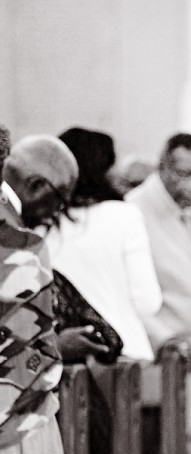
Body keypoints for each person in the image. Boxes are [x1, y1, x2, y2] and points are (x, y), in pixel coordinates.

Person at [1, 131, 78, 454]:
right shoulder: (18, 245)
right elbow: (24, 361)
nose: (57, 214)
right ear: (35, 186)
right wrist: (57, 351)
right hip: (12, 428)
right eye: (59, 200)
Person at [127, 133, 191, 454]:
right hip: (159, 355)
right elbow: (128, 292)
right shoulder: (133, 210)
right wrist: (163, 339)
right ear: (162, 167)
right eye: (185, 175)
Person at [46, 126, 162, 362]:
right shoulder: (124, 216)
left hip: (66, 355)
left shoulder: (42, 221)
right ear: (100, 169)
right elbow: (148, 301)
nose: (118, 172)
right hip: (122, 352)